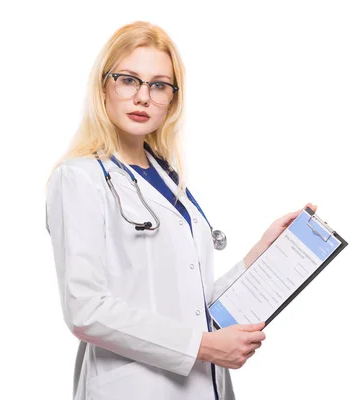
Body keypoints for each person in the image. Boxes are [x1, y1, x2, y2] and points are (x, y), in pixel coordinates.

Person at [45, 21, 318, 400]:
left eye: (159, 85)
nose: (143, 97)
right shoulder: (80, 178)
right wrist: (203, 347)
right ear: (103, 87)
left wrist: (260, 253)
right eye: (128, 80)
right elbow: (85, 309)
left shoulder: (169, 181)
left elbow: (189, 306)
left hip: (203, 387)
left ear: (172, 99)